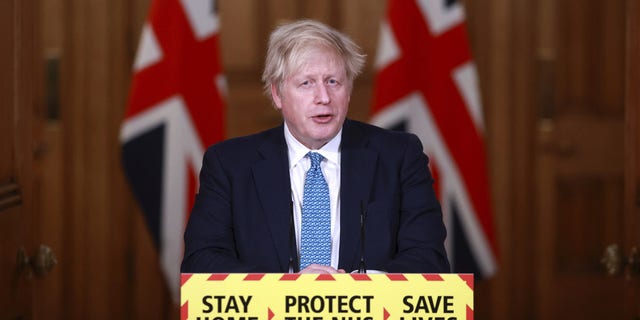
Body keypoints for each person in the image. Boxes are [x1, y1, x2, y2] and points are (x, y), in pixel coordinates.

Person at [181, 19, 450, 274]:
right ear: (277, 94)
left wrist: (356, 289)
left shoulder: (399, 157)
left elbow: (430, 261)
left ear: (349, 89)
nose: (323, 98)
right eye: (306, 83)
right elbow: (201, 262)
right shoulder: (229, 165)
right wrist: (289, 289)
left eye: (333, 81)